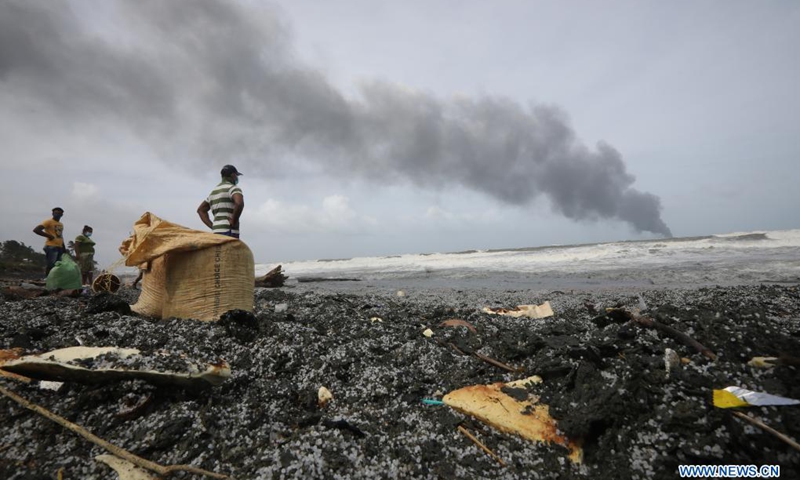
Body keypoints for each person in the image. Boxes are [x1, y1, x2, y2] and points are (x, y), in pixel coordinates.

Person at [197, 164, 244, 238]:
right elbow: (239, 203)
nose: (237, 178)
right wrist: (233, 220)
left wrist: (213, 226)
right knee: (230, 250)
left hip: (216, 232)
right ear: (233, 175)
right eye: (236, 175)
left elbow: (201, 210)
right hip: (229, 230)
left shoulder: (214, 192)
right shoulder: (233, 188)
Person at [33, 207, 66, 276]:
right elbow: (36, 230)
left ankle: (54, 279)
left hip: (59, 246)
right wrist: (49, 236)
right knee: (51, 264)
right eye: (56, 213)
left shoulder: (61, 224)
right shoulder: (48, 222)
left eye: (59, 213)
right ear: (52, 214)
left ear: (62, 215)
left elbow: (60, 236)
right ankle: (47, 279)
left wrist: (64, 248)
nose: (57, 215)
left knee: (58, 266)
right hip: (51, 246)